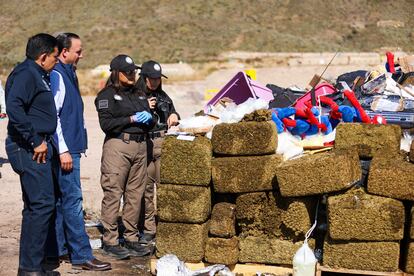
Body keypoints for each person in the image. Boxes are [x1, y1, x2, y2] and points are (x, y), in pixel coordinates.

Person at [50, 33, 111, 271]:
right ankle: (82, 255)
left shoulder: (69, 74)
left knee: (61, 201)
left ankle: (61, 250)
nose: (82, 55)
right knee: (73, 202)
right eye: (78, 51)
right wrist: (64, 149)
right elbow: (54, 116)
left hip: (70, 148)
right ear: (64, 52)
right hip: (66, 150)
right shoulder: (57, 76)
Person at [5, 33, 60, 276]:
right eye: (55, 57)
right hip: (29, 148)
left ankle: (30, 268)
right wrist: (35, 139)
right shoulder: (27, 74)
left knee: (35, 207)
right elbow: (14, 107)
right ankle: (31, 269)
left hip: (34, 147)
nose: (56, 61)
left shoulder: (36, 73)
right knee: (42, 205)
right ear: (43, 56)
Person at [95, 54, 153, 259]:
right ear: (116, 73)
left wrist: (150, 118)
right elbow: (106, 124)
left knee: (135, 195)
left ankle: (131, 238)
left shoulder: (139, 94)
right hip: (119, 145)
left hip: (140, 146)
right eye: (127, 72)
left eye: (134, 71)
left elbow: (150, 119)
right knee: (113, 193)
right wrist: (131, 118)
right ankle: (110, 241)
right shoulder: (106, 96)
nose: (132, 75)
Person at [135, 60, 179, 245]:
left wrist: (175, 115)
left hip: (161, 142)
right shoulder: (134, 95)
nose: (155, 82)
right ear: (144, 78)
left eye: (157, 79)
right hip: (143, 144)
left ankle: (165, 226)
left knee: (164, 187)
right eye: (152, 79)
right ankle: (148, 228)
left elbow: (172, 110)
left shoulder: (163, 95)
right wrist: (144, 106)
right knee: (145, 189)